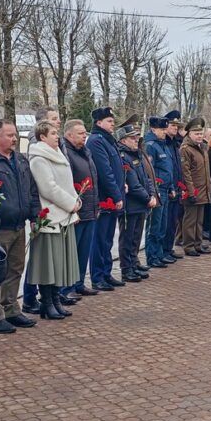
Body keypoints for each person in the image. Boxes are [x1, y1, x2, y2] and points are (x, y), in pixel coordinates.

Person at [0, 119, 41, 333]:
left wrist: (35, 215)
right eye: (10, 135)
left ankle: (11, 309)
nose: (15, 139)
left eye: (15, 135)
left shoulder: (20, 159)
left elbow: (32, 189)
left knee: (15, 269)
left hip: (18, 225)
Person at [24, 120, 82, 320]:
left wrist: (76, 201)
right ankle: (46, 302)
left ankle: (56, 300)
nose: (57, 136)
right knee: (48, 263)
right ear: (42, 137)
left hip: (64, 215)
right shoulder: (39, 159)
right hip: (50, 216)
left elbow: (66, 183)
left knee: (60, 262)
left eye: (57, 133)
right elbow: (48, 188)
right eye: (53, 133)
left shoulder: (58, 154)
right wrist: (70, 203)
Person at [86, 107, 126, 290]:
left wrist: (121, 187)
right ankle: (97, 276)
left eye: (112, 120)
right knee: (100, 239)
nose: (113, 124)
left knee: (108, 239)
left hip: (113, 196)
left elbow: (117, 168)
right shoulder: (96, 141)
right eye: (109, 121)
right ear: (99, 122)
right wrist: (116, 195)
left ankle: (106, 273)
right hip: (105, 198)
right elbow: (105, 171)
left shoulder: (108, 140)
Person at [61, 119, 100, 297]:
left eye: (85, 133)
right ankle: (66, 288)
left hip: (90, 208)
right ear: (69, 135)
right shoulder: (66, 153)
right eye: (81, 133)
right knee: (72, 252)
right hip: (77, 209)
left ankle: (79, 283)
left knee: (84, 250)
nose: (85, 136)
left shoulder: (85, 152)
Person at [117, 123, 156, 281]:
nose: (136, 140)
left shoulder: (136, 154)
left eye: (137, 137)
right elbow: (133, 184)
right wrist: (147, 198)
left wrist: (152, 193)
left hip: (140, 204)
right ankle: (127, 269)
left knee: (136, 237)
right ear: (123, 140)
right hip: (131, 204)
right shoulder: (123, 156)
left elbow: (146, 178)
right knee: (127, 238)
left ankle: (134, 263)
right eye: (132, 138)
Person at [143, 118, 174, 268]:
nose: (164, 132)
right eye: (162, 130)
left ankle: (159, 253)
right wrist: (153, 191)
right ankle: (152, 256)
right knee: (154, 226)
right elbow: (149, 171)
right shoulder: (150, 146)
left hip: (166, 189)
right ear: (153, 129)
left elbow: (168, 168)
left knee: (162, 225)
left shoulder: (163, 145)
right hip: (157, 190)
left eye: (165, 129)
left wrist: (171, 186)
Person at [180, 118, 211, 256]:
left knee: (199, 220)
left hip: (203, 189)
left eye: (201, 133)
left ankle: (198, 244)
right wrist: (191, 192)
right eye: (196, 134)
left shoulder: (202, 148)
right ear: (189, 134)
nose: (199, 136)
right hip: (193, 190)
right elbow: (186, 173)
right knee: (190, 220)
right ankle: (189, 245)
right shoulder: (186, 149)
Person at [163, 110, 185, 258]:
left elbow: (177, 167)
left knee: (172, 222)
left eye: (177, 125)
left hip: (176, 187)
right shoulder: (163, 143)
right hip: (166, 188)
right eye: (172, 125)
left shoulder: (174, 143)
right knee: (165, 224)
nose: (176, 128)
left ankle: (168, 249)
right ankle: (163, 251)